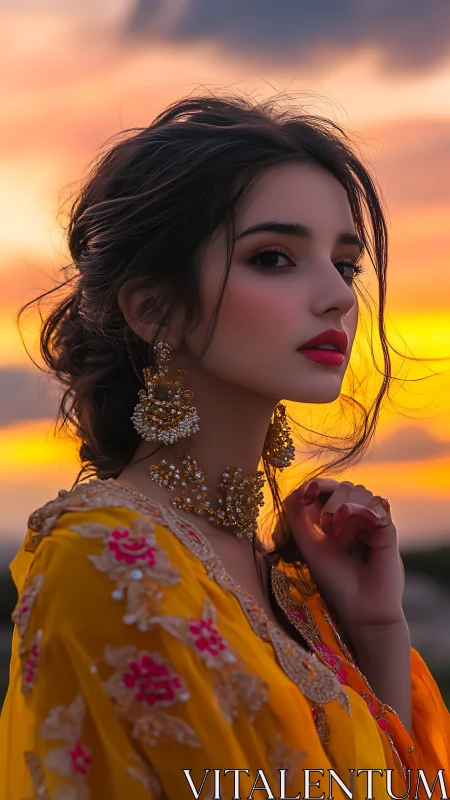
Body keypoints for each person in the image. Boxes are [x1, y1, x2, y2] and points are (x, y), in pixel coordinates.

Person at [0, 93, 449, 800]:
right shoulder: (108, 560)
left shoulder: (297, 589)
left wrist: (377, 628)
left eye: (346, 265)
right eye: (274, 257)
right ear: (154, 309)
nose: (336, 295)